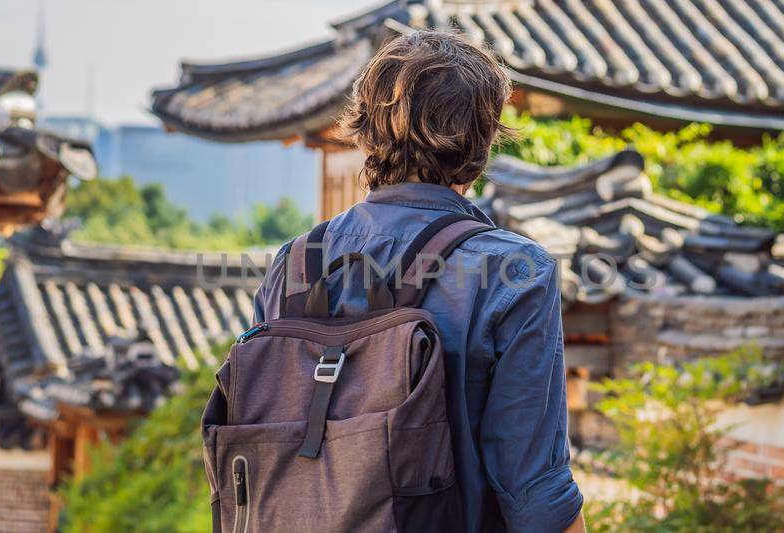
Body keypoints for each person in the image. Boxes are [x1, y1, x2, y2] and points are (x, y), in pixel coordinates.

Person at [251, 31, 585, 532]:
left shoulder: (296, 263)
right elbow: (533, 486)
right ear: (483, 138)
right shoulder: (514, 272)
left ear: (365, 129)